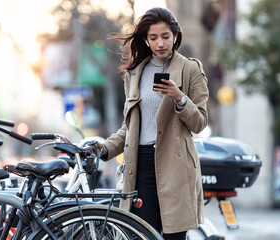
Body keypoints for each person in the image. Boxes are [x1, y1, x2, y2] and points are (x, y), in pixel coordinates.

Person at [98, 7, 209, 240]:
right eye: (153, 37)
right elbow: (129, 127)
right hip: (140, 165)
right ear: (146, 40)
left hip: (175, 166)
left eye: (165, 36)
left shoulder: (190, 69)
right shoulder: (135, 73)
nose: (160, 43)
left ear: (175, 36)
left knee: (173, 236)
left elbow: (199, 123)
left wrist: (180, 98)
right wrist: (105, 147)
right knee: (141, 234)